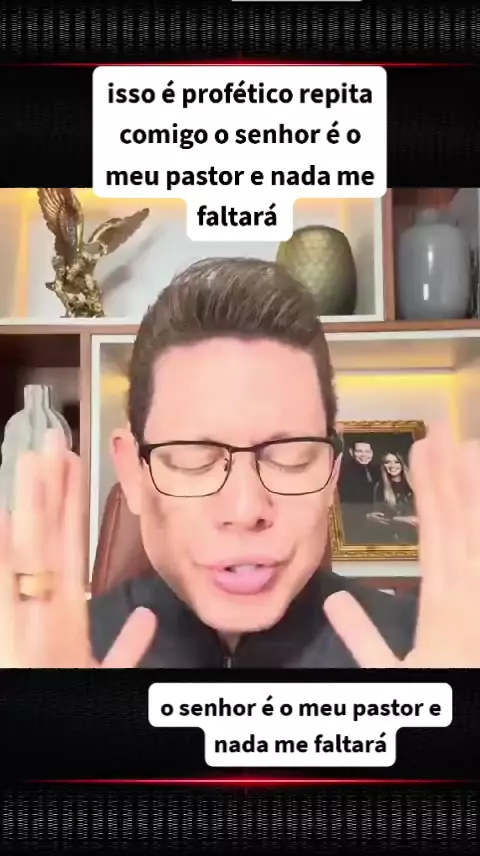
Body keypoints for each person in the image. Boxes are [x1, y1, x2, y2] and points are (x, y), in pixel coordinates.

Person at [1, 257, 479, 668]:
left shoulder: (439, 646)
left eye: (291, 457)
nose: (246, 508)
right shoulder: (35, 653)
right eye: (194, 457)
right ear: (132, 473)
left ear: (332, 474)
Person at [369, 452, 418, 545]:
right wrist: (406, 519)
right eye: (388, 462)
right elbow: (379, 516)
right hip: (395, 537)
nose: (392, 466)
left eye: (396, 462)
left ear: (403, 464)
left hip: (419, 534)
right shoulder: (380, 486)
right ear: (383, 465)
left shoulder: (415, 483)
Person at [338, 440, 381, 544]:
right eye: (359, 451)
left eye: (367, 451)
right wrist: (364, 516)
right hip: (354, 527)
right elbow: (342, 504)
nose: (364, 455)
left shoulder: (376, 469)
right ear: (351, 452)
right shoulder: (343, 473)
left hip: (376, 525)